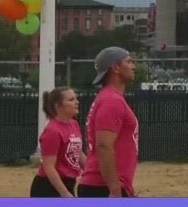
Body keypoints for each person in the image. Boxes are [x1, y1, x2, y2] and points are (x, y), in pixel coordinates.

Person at [76, 47, 139, 198]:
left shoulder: (110, 98)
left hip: (104, 186)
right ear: (116, 67)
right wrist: (115, 189)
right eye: (129, 62)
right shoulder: (111, 100)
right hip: (102, 187)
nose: (133, 66)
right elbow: (104, 146)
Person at [32, 87, 83, 198]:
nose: (76, 102)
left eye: (76, 99)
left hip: (68, 183)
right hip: (49, 187)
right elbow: (49, 168)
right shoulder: (52, 131)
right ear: (58, 105)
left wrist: (93, 171)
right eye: (71, 100)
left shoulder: (74, 124)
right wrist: (64, 193)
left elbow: (77, 153)